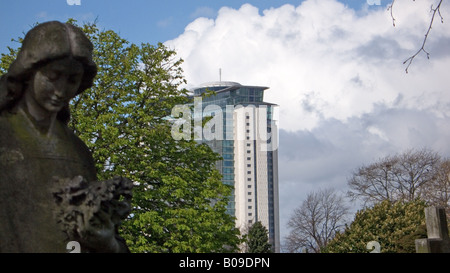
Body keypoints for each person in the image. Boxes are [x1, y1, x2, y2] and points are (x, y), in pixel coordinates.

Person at [0, 21, 130, 253]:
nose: (61, 90)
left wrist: (107, 242)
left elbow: (105, 240)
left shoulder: (78, 150)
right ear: (29, 72)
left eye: (72, 80)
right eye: (53, 76)